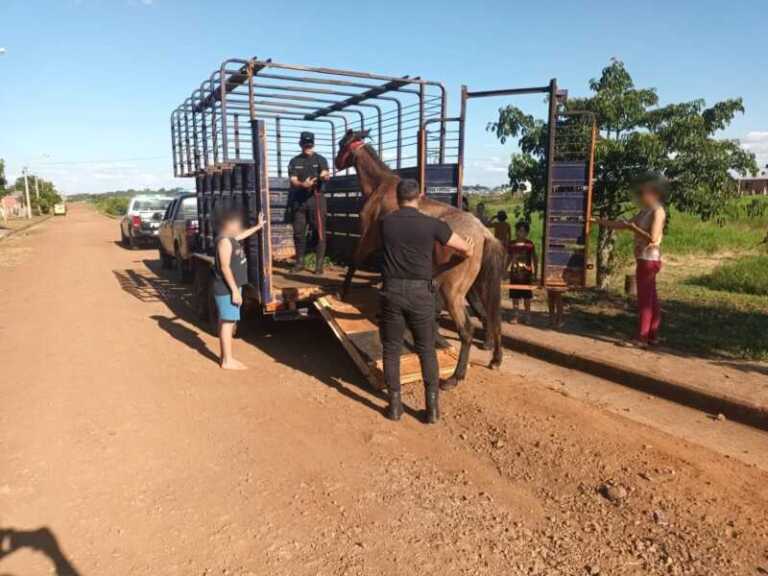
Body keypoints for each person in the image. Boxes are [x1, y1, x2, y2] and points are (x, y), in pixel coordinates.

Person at [379, 179, 474, 424]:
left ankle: (395, 407)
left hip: (391, 291)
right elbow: (465, 249)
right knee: (426, 350)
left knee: (391, 349)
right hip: (421, 294)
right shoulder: (433, 224)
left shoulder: (386, 222)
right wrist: (468, 250)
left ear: (397, 197)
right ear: (420, 196)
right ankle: (432, 410)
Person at [593, 173, 667, 346]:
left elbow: (653, 238)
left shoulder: (658, 211)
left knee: (645, 300)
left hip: (649, 259)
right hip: (644, 258)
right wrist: (599, 221)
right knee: (651, 298)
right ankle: (652, 335)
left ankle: (641, 338)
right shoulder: (645, 211)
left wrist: (633, 228)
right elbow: (623, 224)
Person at [213, 209, 265, 370]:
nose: (238, 226)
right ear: (227, 225)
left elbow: (242, 235)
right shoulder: (224, 241)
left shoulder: (230, 238)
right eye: (235, 223)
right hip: (227, 289)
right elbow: (225, 268)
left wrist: (258, 226)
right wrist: (235, 291)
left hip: (231, 288)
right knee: (228, 323)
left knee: (225, 322)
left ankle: (225, 357)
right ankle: (227, 361)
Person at [288, 131, 330, 274]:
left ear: (313, 144)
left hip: (316, 199)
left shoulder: (321, 159)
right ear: (300, 144)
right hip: (299, 201)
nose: (307, 146)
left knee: (319, 233)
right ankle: (299, 263)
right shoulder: (294, 161)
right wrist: (303, 184)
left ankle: (319, 266)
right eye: (305, 144)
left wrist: (322, 176)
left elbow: (325, 173)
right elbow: (293, 180)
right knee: (298, 233)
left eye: (309, 144)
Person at [507, 220, 536, 324]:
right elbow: (508, 258)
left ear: (527, 233)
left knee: (527, 297)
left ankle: (527, 316)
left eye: (523, 231)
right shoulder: (511, 244)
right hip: (514, 274)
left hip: (526, 275)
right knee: (515, 297)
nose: (520, 233)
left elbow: (534, 259)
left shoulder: (529, 244)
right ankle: (515, 316)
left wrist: (535, 273)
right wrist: (505, 271)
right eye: (518, 230)